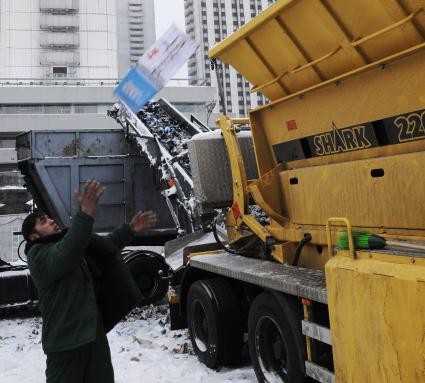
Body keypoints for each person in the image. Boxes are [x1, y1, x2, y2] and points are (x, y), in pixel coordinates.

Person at [22, 180, 157, 383]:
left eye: (49, 218)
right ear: (33, 236)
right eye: (43, 222)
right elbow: (66, 254)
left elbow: (106, 246)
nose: (50, 221)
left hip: (93, 335)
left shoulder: (70, 242)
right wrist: (84, 214)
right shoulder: (38, 255)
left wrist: (131, 229)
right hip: (65, 342)